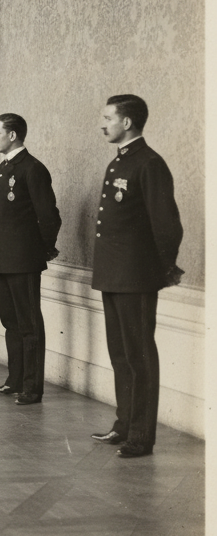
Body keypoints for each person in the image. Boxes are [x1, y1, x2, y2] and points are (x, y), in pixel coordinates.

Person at [90, 94, 183, 458]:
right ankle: (124, 425)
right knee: (120, 355)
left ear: (126, 122)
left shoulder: (149, 163)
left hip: (136, 277)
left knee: (139, 356)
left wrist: (160, 269)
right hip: (114, 275)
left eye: (108, 117)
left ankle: (141, 436)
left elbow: (167, 226)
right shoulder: (121, 162)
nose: (103, 123)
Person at [0, 113, 61, 405]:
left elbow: (49, 217)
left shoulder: (32, 169)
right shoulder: (5, 168)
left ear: (13, 135)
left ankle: (32, 387)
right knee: (10, 322)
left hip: (23, 261)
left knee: (29, 325)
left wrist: (42, 249)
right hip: (2, 259)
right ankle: (14, 380)